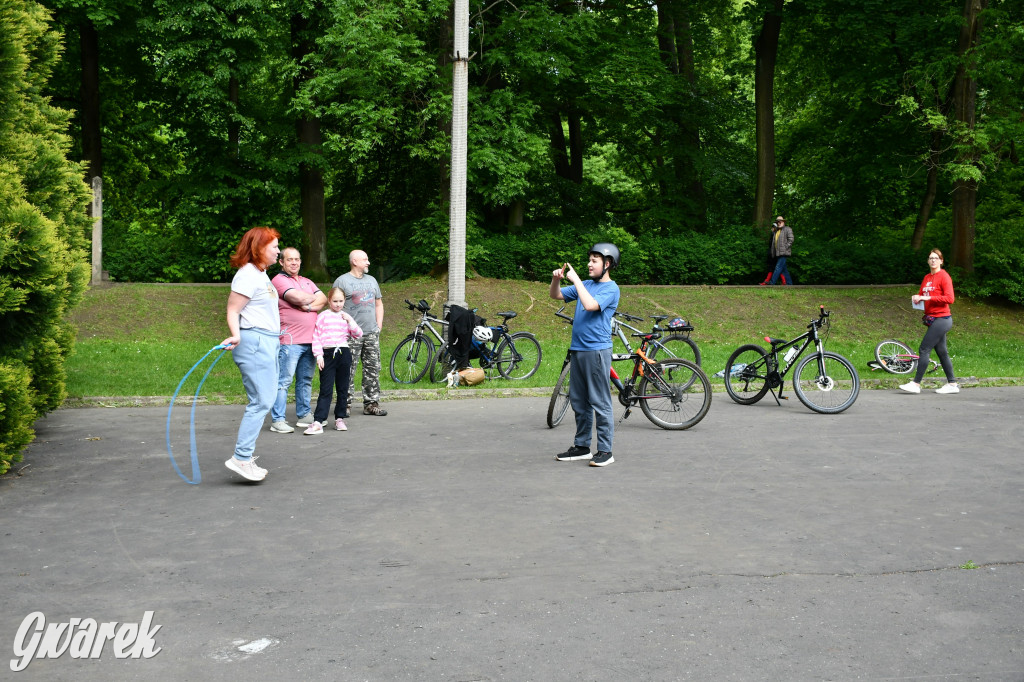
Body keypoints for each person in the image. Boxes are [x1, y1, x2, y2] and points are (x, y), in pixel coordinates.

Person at [549, 243, 621, 467]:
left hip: (597, 351)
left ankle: (605, 451)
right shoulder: (587, 284)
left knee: (600, 401)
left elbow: (590, 305)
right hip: (578, 349)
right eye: (589, 260)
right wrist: (557, 279)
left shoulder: (611, 289)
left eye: (594, 261)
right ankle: (581, 447)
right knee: (579, 401)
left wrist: (577, 280)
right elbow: (556, 295)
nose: (589, 264)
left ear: (607, 264)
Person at [222, 227, 281, 482]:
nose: (278, 250)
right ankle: (241, 458)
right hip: (255, 342)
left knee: (263, 400)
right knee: (261, 402)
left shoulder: (261, 274)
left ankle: (244, 457)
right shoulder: (247, 275)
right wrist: (236, 335)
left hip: (266, 342)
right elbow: (233, 310)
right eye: (274, 246)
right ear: (259, 247)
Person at [269, 247, 328, 433]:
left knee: (305, 380)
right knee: (283, 381)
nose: (294, 263)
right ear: (281, 262)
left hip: (311, 340)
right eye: (289, 259)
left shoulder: (306, 281)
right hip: (290, 340)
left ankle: (304, 415)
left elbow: (324, 299)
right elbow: (295, 296)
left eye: (297, 259)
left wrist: (307, 306)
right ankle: (277, 420)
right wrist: (311, 300)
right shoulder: (278, 280)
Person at [333, 250, 388, 416]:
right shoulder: (342, 281)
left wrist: (378, 326)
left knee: (372, 369)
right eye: (365, 259)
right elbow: (335, 306)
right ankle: (345, 404)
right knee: (347, 369)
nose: (368, 262)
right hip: (350, 335)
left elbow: (379, 304)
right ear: (355, 261)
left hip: (371, 333)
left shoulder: (371, 280)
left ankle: (371, 404)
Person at [899, 248, 959, 395]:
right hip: (933, 318)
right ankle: (952, 384)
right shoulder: (927, 278)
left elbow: (950, 299)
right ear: (928, 261)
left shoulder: (944, 276)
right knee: (942, 352)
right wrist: (917, 297)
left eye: (936, 258)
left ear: (941, 261)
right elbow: (923, 294)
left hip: (943, 318)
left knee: (924, 349)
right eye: (931, 258)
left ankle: (916, 384)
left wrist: (928, 298)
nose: (933, 260)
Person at [305, 288, 364, 434]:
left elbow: (358, 334)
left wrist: (350, 321)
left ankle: (339, 419)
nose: (338, 304)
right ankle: (318, 421)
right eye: (335, 301)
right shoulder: (323, 316)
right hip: (327, 353)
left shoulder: (346, 316)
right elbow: (316, 337)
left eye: (341, 301)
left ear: (344, 301)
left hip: (343, 353)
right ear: (329, 301)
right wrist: (318, 355)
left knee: (343, 388)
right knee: (326, 388)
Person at [768, 216, 794, 285]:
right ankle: (789, 283)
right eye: (777, 222)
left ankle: (772, 282)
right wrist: (772, 253)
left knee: (778, 267)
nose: (779, 223)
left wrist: (785, 247)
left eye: (780, 222)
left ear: (783, 222)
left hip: (784, 252)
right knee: (784, 270)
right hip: (777, 253)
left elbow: (791, 239)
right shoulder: (776, 231)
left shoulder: (788, 229)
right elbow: (774, 243)